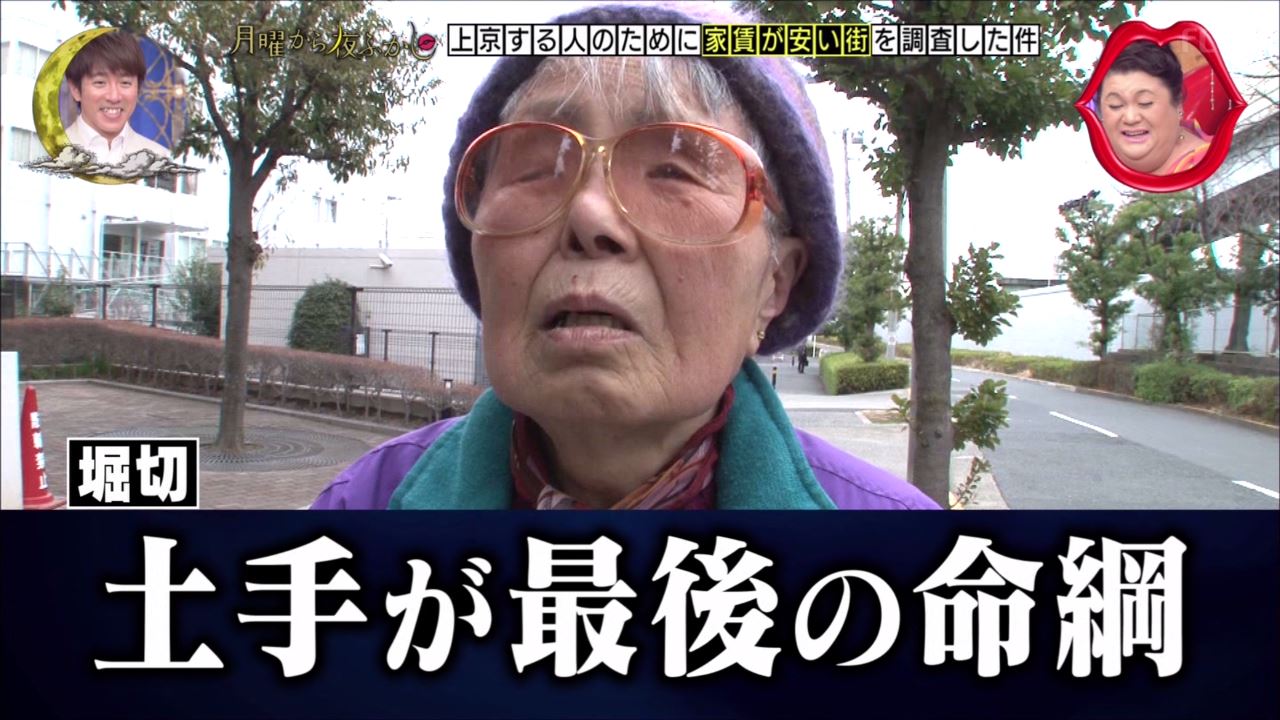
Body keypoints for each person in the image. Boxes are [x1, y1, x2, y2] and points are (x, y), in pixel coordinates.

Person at [312, 3, 937, 510]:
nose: (590, 215)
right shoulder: (360, 510)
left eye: (673, 170)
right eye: (538, 166)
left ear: (774, 283)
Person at [1097, 40, 1211, 176]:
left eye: (1145, 102)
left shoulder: (1205, 167)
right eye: (1115, 105)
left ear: (1177, 100)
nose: (1130, 118)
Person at [63, 30, 170, 164]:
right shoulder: (52, 150)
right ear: (75, 90)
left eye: (125, 83)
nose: (114, 97)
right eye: (100, 83)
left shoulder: (159, 158)